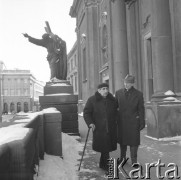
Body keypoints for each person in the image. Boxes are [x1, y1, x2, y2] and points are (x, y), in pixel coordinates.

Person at [83, 83, 118, 172]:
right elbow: (87, 113)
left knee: (106, 147)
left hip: (110, 127)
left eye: (106, 88)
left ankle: (103, 164)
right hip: (99, 128)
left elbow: (116, 111)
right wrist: (90, 123)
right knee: (105, 147)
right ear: (99, 90)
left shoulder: (112, 100)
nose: (105, 91)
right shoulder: (92, 100)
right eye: (103, 89)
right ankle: (107, 167)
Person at [115, 74, 145, 166]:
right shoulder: (118, 92)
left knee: (134, 142)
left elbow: (141, 109)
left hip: (133, 122)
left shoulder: (139, 94)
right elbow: (115, 107)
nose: (126, 84)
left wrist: (142, 121)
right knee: (122, 141)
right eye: (125, 82)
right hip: (122, 122)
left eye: (128, 83)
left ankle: (134, 161)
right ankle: (122, 159)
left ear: (132, 84)